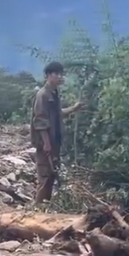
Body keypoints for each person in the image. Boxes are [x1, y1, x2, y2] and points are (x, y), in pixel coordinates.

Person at [30, 61, 82, 204]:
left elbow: (58, 114)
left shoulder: (54, 93)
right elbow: (40, 122)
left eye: (61, 74)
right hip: (46, 145)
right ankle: (37, 211)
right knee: (45, 179)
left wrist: (74, 108)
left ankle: (45, 209)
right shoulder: (43, 95)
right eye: (56, 74)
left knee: (52, 177)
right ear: (48, 75)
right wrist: (46, 143)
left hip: (55, 143)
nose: (59, 77)